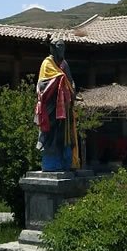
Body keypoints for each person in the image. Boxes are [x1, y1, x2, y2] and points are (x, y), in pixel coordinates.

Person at [35, 37, 80, 171]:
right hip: (51, 107)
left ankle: (66, 162)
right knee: (51, 134)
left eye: (63, 47)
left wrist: (71, 88)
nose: (62, 50)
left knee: (65, 135)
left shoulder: (64, 64)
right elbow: (41, 85)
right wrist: (59, 79)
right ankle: (51, 163)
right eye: (59, 47)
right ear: (53, 49)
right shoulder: (47, 63)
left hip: (64, 106)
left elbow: (70, 80)